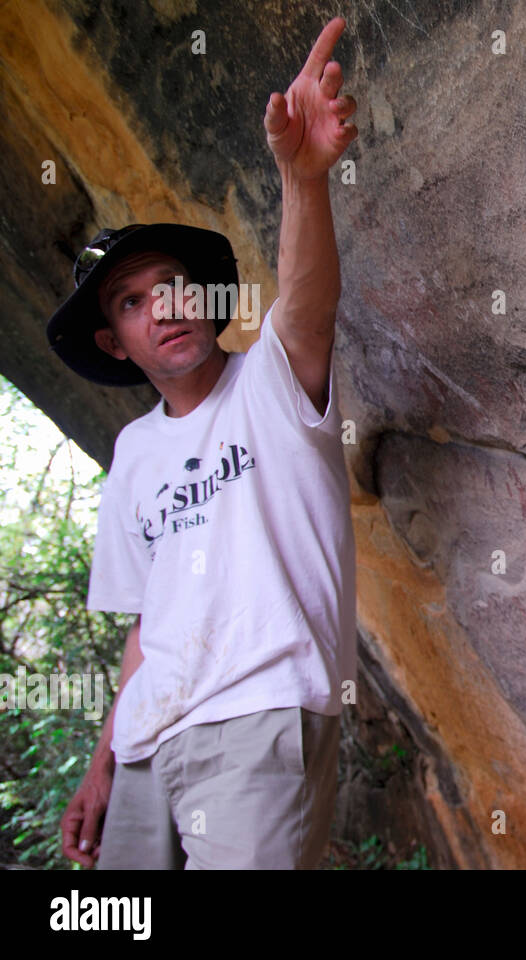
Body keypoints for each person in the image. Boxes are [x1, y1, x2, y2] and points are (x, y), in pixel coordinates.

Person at [50, 17, 360, 869]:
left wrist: (302, 178)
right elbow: (148, 627)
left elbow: (306, 303)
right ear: (116, 341)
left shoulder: (269, 381)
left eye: (173, 286)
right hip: (149, 745)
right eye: (131, 301)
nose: (163, 307)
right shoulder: (136, 458)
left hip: (259, 720)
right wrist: (101, 763)